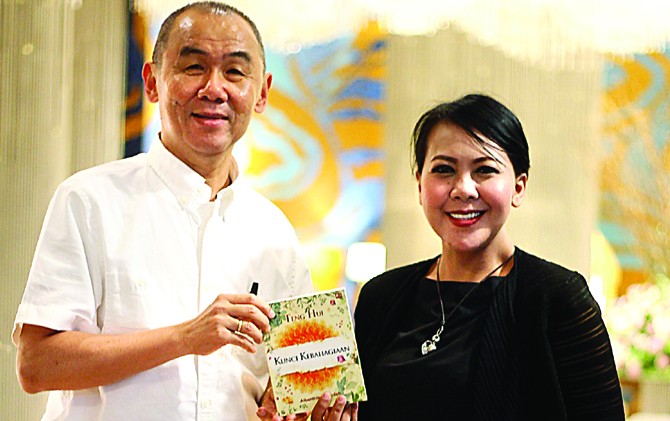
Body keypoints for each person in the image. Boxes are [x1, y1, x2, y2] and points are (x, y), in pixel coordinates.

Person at [13, 2, 356, 420]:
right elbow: (36, 365)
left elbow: (286, 387)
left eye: (234, 72)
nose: (214, 89)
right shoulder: (89, 200)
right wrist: (186, 337)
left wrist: (302, 407)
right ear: (152, 82)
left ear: (262, 93)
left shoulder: (274, 231)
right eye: (194, 67)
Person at [354, 94, 625, 420]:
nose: (463, 189)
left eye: (484, 170)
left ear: (518, 187)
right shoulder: (380, 297)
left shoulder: (558, 299)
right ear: (420, 186)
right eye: (443, 169)